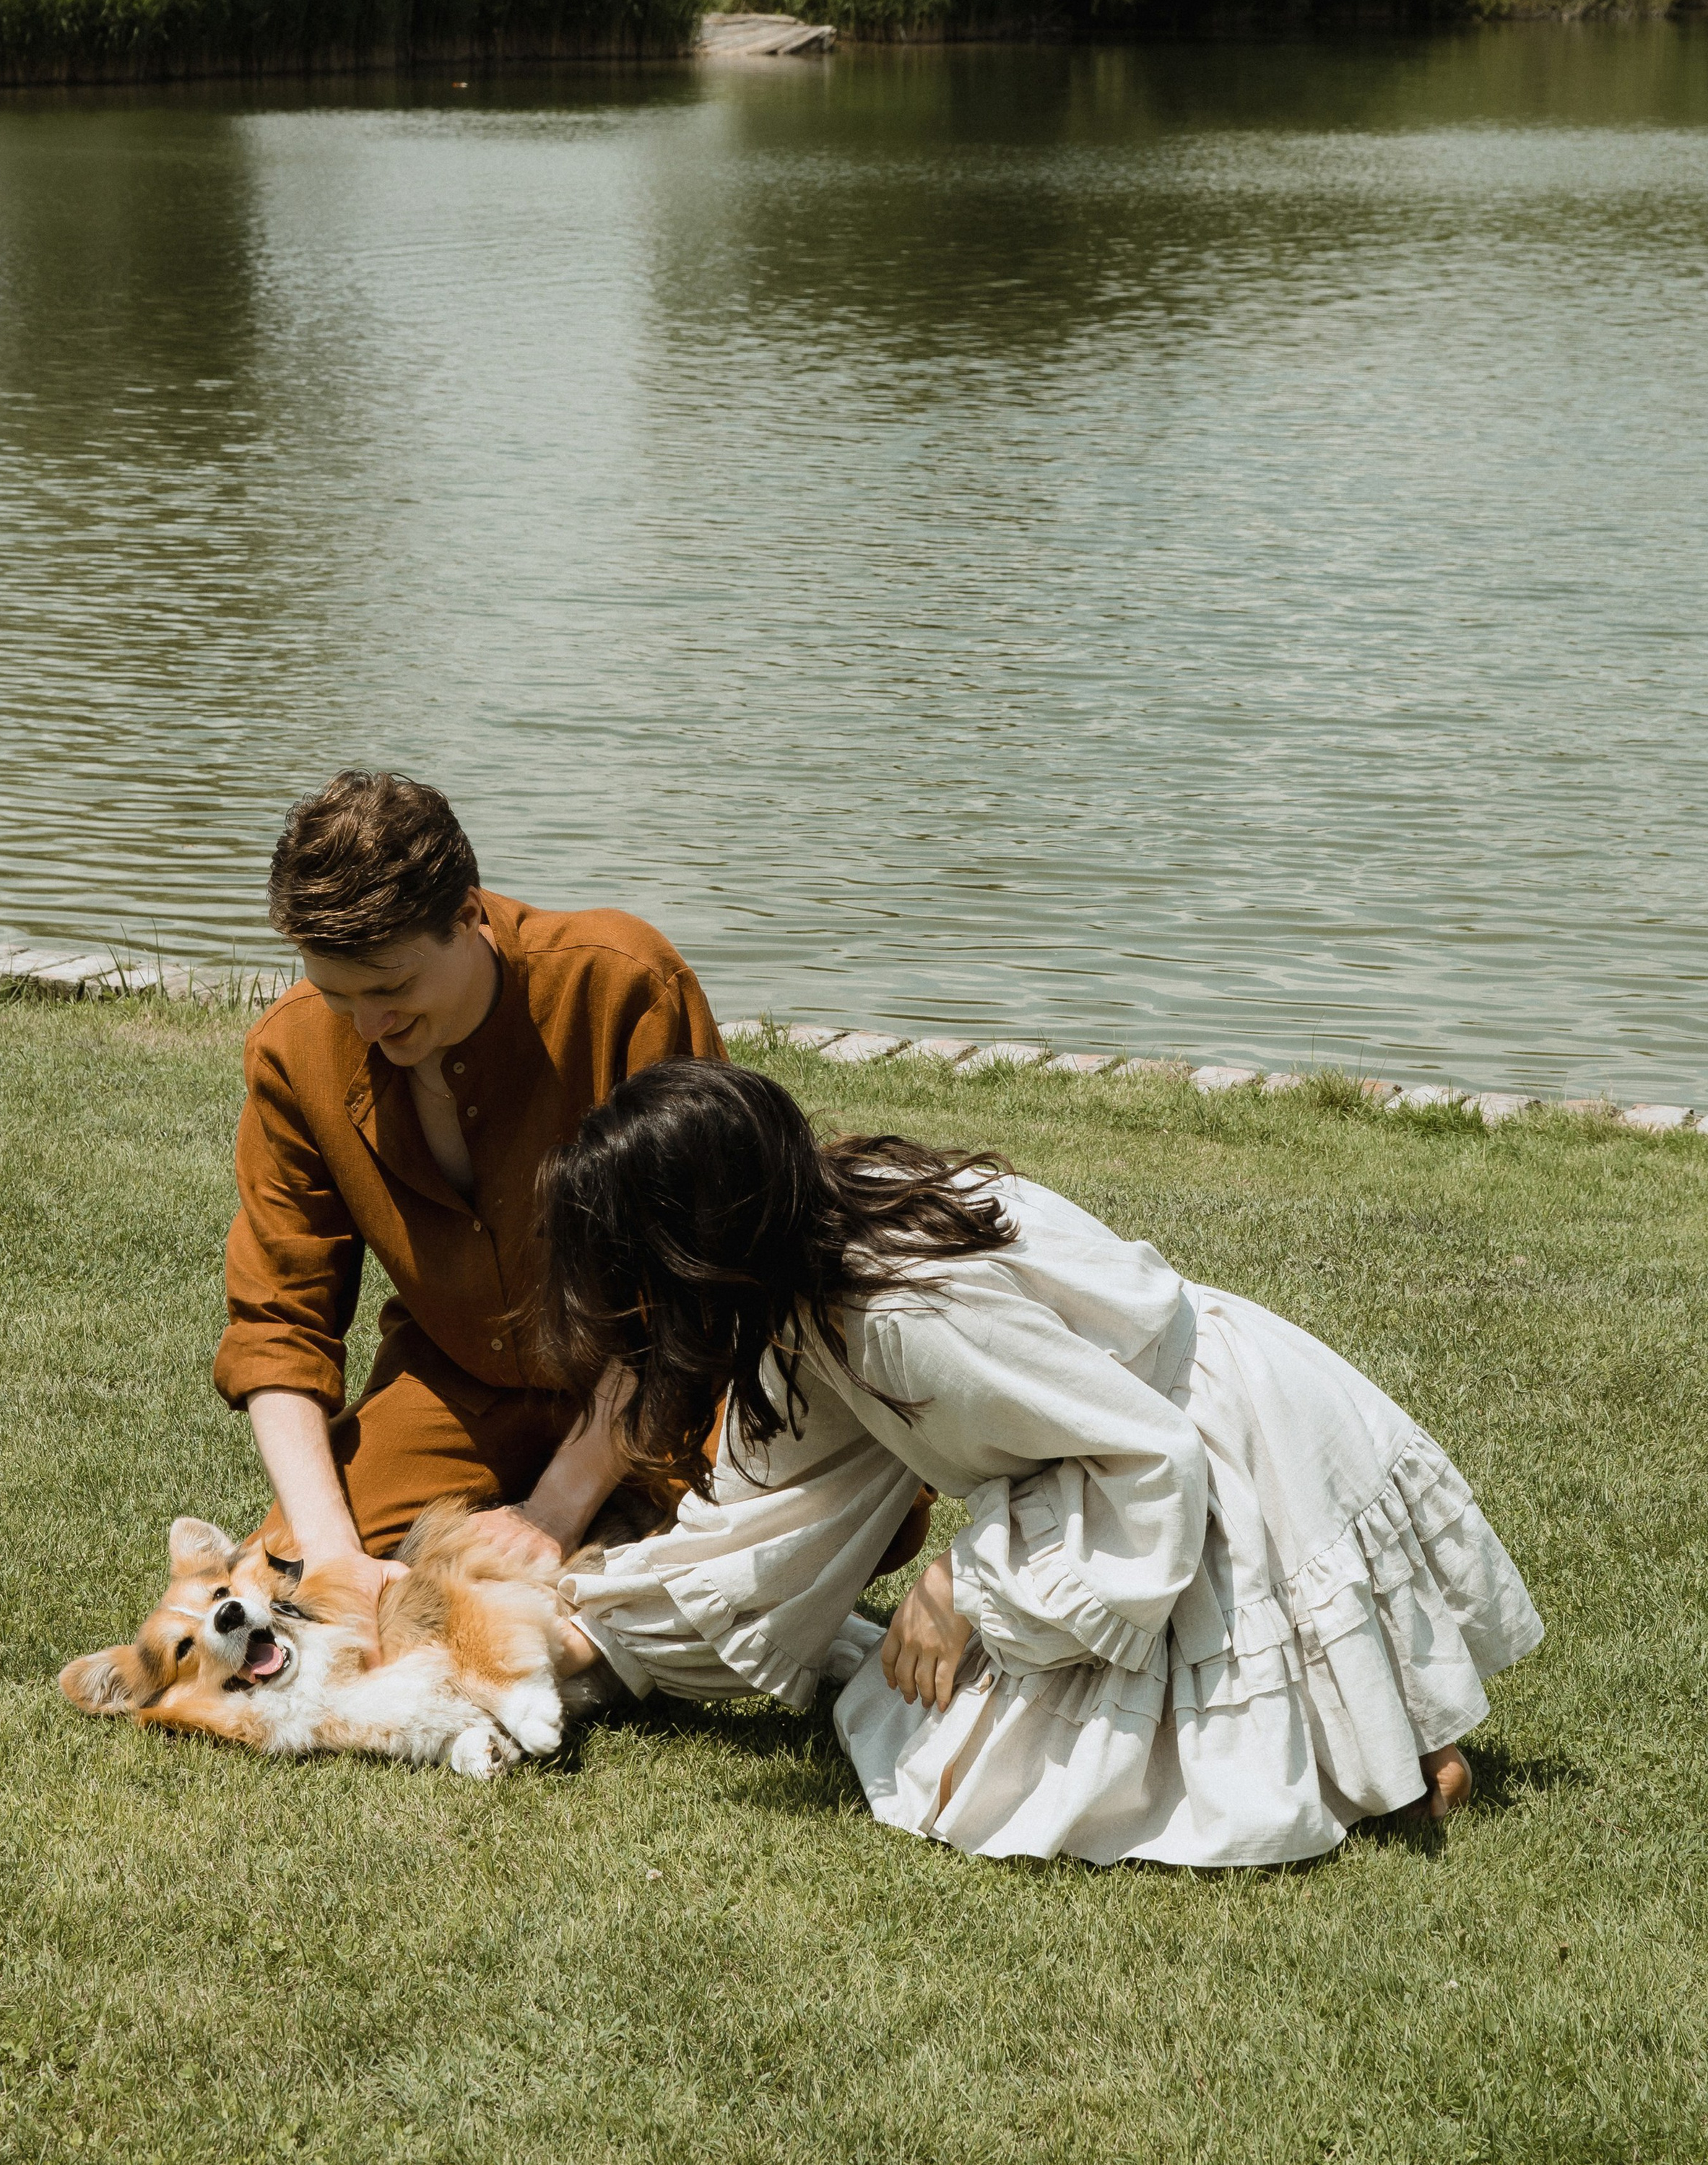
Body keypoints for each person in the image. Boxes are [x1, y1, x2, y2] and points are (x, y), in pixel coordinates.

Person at [542, 1059, 1545, 1870]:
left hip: (1208, 1446)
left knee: (967, 1778)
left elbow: (1150, 1453)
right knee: (913, 1718)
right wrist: (589, 1630)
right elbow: (776, 1513)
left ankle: (1373, 1754)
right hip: (1128, 1444)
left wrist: (961, 1583)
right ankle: (1380, 1739)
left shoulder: (898, 1318)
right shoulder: (819, 1280)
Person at [215, 770, 737, 1615]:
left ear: (467, 915)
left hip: (662, 1373)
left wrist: (553, 1509)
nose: (367, 1028)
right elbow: (279, 1319)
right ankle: (621, 1550)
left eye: (389, 987)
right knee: (285, 1588)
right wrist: (328, 1549)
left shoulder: (624, 987)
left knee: (793, 1515)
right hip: (459, 1385)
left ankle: (620, 1528)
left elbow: (697, 1288)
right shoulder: (292, 1051)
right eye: (334, 992)